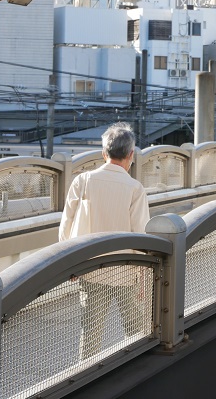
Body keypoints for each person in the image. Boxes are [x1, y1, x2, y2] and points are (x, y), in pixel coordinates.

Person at [58, 122, 150, 358]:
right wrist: (143, 275)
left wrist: (70, 264)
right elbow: (141, 235)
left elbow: (66, 227)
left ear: (103, 153)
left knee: (90, 335)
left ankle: (85, 381)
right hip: (126, 270)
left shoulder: (83, 181)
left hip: (91, 269)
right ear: (131, 155)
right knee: (137, 329)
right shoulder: (135, 188)